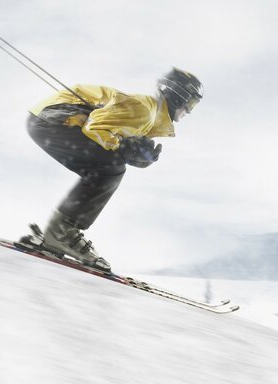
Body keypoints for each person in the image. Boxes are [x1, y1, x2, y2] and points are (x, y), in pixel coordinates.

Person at [25, 67, 203, 271]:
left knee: (107, 167)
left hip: (48, 120)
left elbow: (109, 136)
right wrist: (123, 148)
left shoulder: (149, 115)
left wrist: (132, 151)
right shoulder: (144, 110)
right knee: (109, 168)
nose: (189, 111)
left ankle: (58, 232)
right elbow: (94, 128)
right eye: (190, 104)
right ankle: (60, 233)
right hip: (53, 120)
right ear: (177, 97)